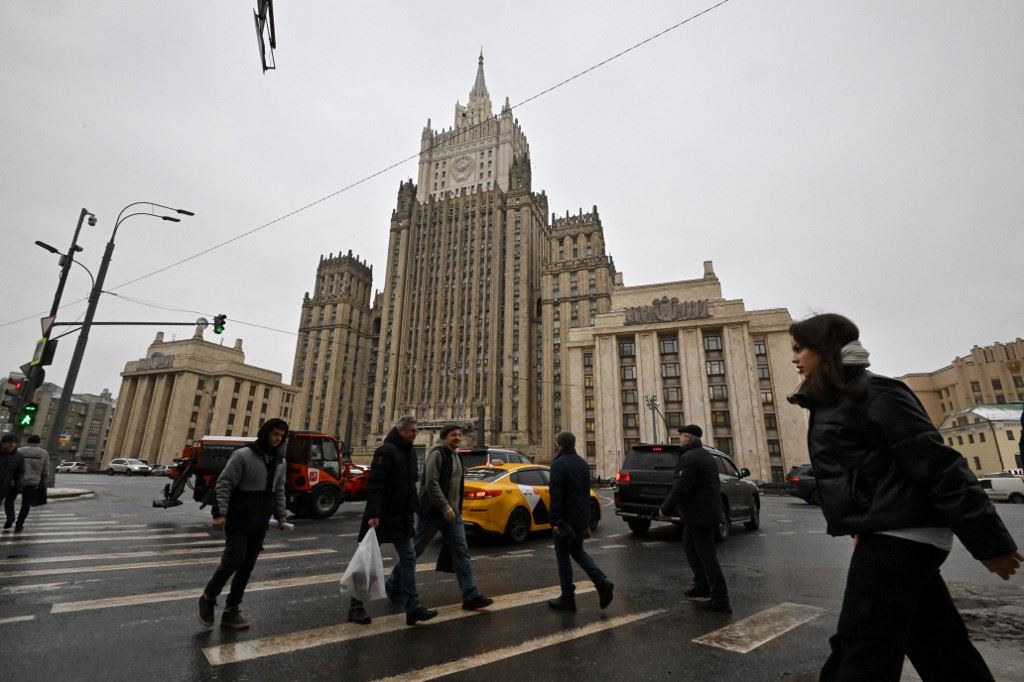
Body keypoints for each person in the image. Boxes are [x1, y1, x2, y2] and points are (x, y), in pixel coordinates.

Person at [787, 313, 1021, 682]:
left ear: (825, 349)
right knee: (939, 644)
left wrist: (990, 544)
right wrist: (864, 528)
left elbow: (939, 465)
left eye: (800, 349)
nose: (794, 358)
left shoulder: (876, 392)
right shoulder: (840, 398)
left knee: (861, 651)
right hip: (895, 534)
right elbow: (871, 473)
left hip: (901, 537)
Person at [386, 423, 493, 611]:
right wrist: (444, 506)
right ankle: (393, 582)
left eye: (458, 434)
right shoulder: (437, 454)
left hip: (452, 515)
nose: (457, 437)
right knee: (415, 550)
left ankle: (470, 595)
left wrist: (455, 509)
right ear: (444, 437)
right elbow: (431, 484)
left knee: (461, 552)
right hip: (433, 513)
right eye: (453, 435)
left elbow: (456, 486)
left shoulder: (457, 456)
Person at [198, 418, 290, 630]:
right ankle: (208, 597)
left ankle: (232, 610)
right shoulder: (243, 455)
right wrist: (220, 513)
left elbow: (279, 490)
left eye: (281, 436)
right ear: (265, 433)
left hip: (260, 521)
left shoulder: (280, 462)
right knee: (234, 559)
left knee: (247, 566)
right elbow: (224, 484)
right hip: (239, 518)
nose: (278, 439)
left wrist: (282, 515)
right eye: (275, 434)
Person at [349, 416, 438, 626]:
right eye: (413, 431)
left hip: (401, 516)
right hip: (381, 516)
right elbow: (375, 485)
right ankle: (355, 607)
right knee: (366, 561)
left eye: (417, 430)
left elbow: (410, 484)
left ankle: (412, 607)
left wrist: (416, 508)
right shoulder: (385, 451)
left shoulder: (409, 452)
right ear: (402, 432)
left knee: (409, 558)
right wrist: (373, 513)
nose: (416, 433)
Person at [655, 424, 731, 614]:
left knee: (707, 555)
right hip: (702, 513)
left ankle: (720, 598)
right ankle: (701, 584)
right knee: (690, 545)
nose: (679, 439)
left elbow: (681, 487)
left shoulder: (689, 458)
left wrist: (665, 509)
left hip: (699, 514)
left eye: (681, 436)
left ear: (688, 438)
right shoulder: (705, 456)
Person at [547, 431, 613, 611]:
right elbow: (585, 494)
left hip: (565, 520)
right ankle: (602, 582)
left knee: (562, 556)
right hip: (581, 518)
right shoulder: (582, 463)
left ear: (560, 445)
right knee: (577, 551)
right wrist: (587, 522)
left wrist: (555, 521)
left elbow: (556, 495)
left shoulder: (559, 464)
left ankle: (567, 597)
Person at [13, 434, 49, 532]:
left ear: (28, 441)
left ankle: (10, 518)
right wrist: (43, 482)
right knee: (26, 504)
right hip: (32, 482)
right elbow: (45, 470)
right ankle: (19, 524)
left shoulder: (20, 451)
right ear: (39, 443)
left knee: (9, 500)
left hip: (17, 480)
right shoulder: (44, 453)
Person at [1, 433, 25, 531]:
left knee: (8, 502)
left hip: (7, 485)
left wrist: (20, 484)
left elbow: (20, 472)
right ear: (3, 443)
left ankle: (10, 518)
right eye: (9, 442)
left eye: (14, 443)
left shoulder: (18, 457)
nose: (12, 445)